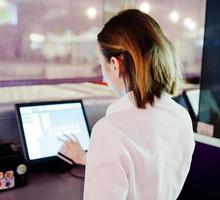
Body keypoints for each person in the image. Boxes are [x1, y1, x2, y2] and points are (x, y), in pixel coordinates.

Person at [61, 9, 195, 200]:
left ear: (115, 65)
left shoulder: (110, 131)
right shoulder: (181, 117)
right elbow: (148, 169)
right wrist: (88, 158)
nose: (102, 76)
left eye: (101, 64)